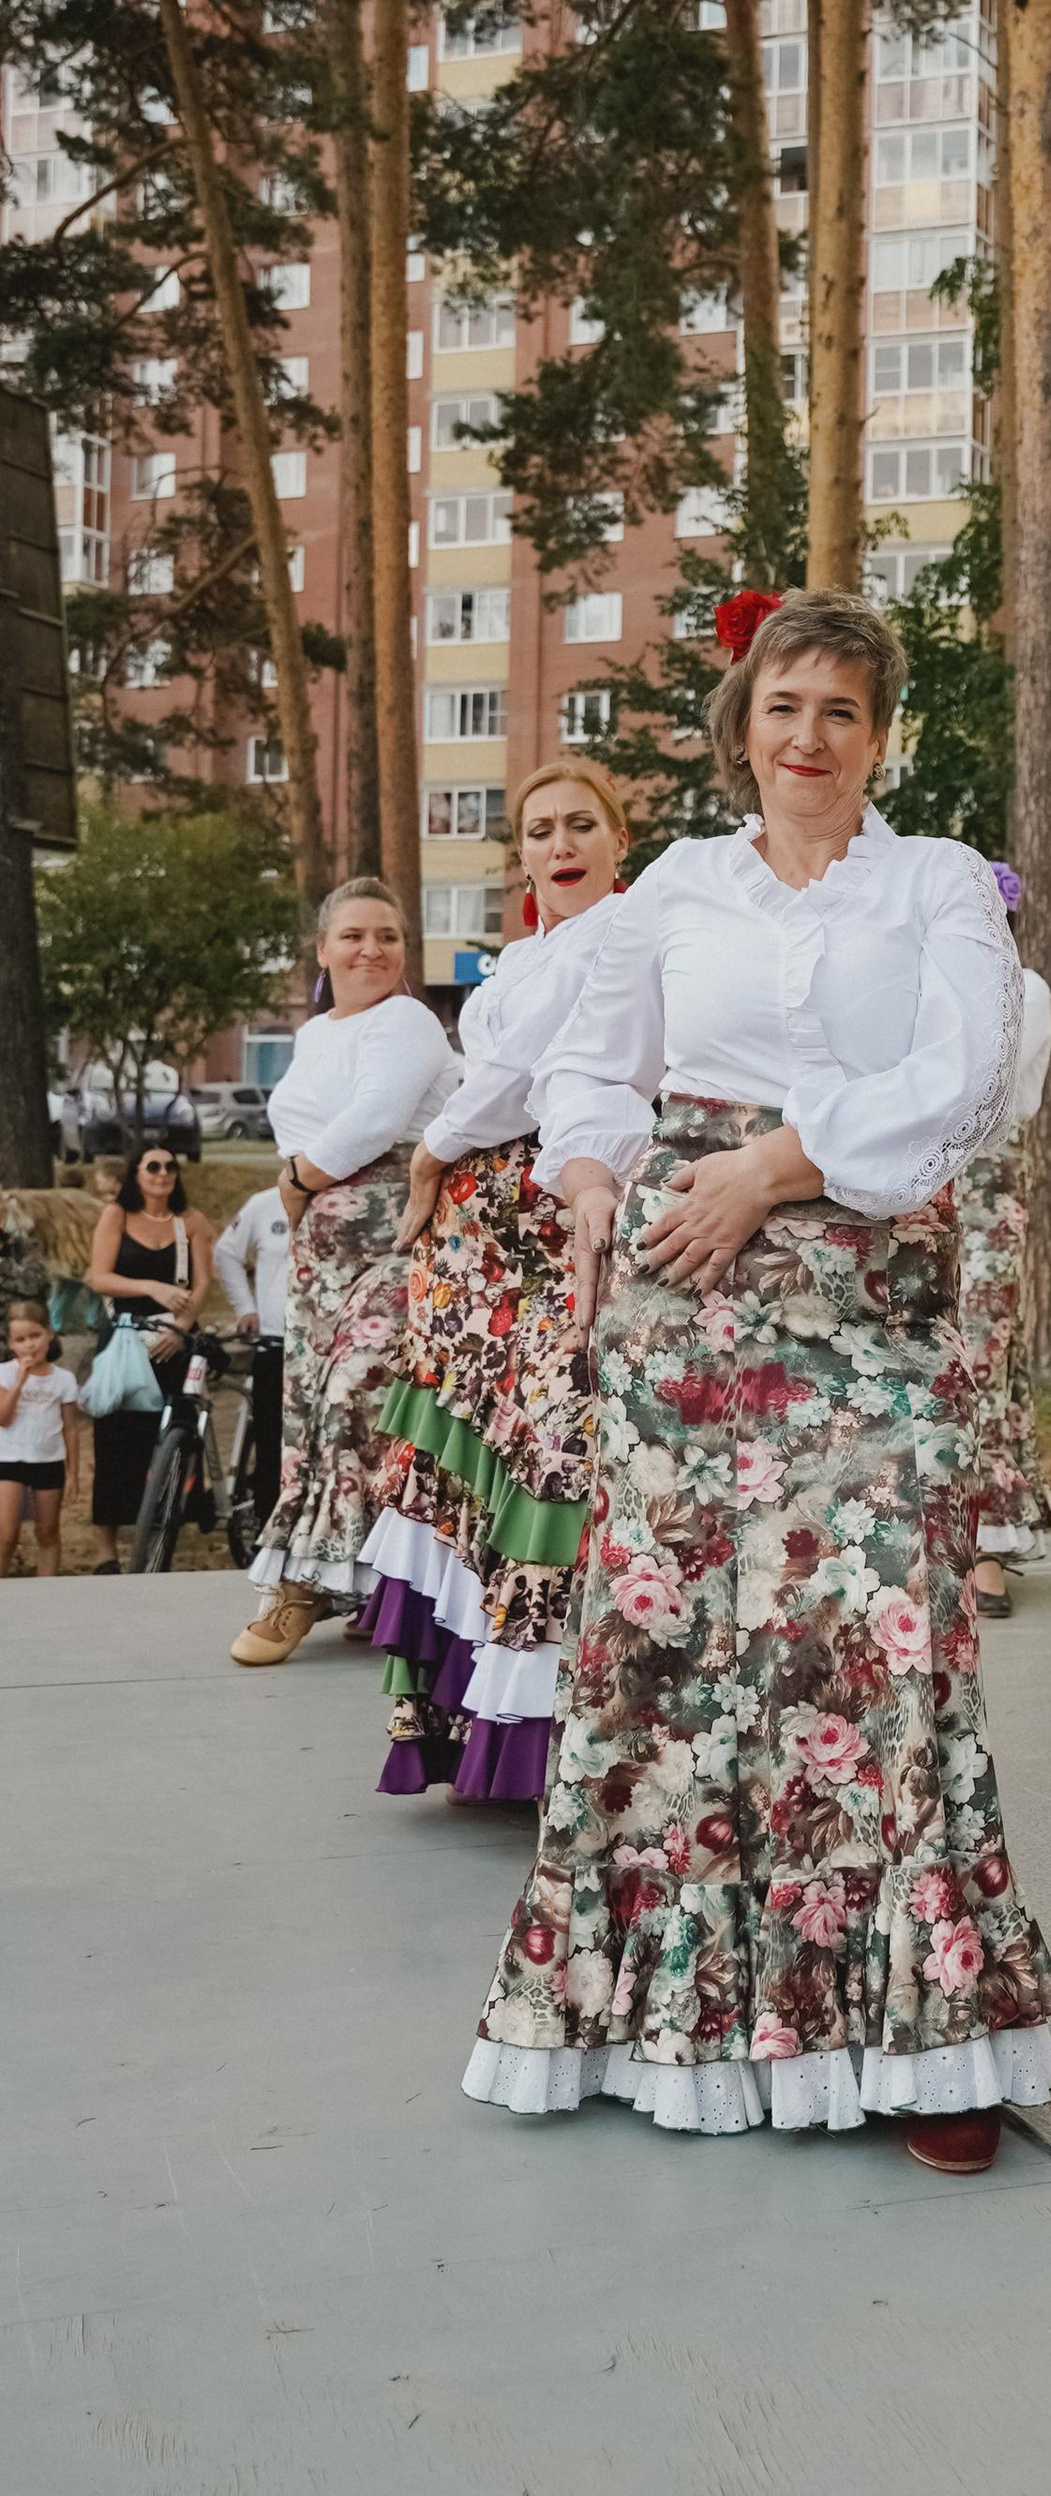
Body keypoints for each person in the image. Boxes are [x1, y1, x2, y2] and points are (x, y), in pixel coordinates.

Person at [464, 586, 1051, 2170]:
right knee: (669, 1646)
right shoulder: (675, 888)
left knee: (883, 1634)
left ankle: (929, 2041)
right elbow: (594, 1059)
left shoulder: (937, 885)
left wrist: (780, 1167)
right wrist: (594, 1173)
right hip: (682, 1288)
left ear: (880, 740)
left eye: (842, 713)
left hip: (861, 1275)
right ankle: (672, 2017)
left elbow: (968, 1075)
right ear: (743, 727)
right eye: (784, 707)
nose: (809, 739)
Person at [359, 760, 628, 1802]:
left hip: (551, 1218)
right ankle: (471, 1722)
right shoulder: (525, 956)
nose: (559, 846)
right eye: (539, 830)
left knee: (555, 1456)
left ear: (618, 838)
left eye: (579, 826)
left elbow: (517, 1083)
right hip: (477, 1257)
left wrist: (431, 1151)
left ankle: (552, 1741)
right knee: (483, 1463)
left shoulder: (619, 938)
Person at [232, 880, 461, 1668]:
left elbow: (373, 1122)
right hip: (322, 1247)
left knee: (353, 1393)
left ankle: (307, 1585)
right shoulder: (313, 1035)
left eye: (389, 937)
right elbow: (303, 1127)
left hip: (399, 1234)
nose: (372, 950)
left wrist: (295, 1183)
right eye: (355, 936)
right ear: (323, 950)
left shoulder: (408, 1022)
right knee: (302, 1413)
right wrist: (299, 1191)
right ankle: (365, 1582)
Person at [959, 861, 1051, 1621]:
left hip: (987, 1185)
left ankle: (987, 1540)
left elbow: (989, 1089)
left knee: (984, 1358)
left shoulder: (1028, 992)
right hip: (919, 1184)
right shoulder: (923, 989)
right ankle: (937, 1530)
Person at [81, 1145, 205, 1571]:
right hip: (126, 1335)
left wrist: (182, 1328)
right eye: (153, 1166)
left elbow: (203, 1284)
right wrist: (152, 1288)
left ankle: (159, 1528)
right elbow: (99, 1276)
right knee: (115, 1435)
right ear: (137, 1172)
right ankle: (106, 1549)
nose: (162, 1173)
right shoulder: (117, 1215)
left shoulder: (190, 1222)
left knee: (171, 1432)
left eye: (170, 1166)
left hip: (174, 1337)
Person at [211, 1181, 293, 1536]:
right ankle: (268, 1530)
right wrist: (245, 1307)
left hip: (327, 1346)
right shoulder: (264, 1204)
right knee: (272, 1442)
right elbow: (226, 1252)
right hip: (275, 1342)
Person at [0, 1299, 86, 1577]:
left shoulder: (64, 1379)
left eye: (35, 1336)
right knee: (6, 1533)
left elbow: (70, 1428)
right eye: (21, 1340)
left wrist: (72, 1473)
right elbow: (3, 1418)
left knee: (48, 1531)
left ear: (49, 1333)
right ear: (11, 1344)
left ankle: (46, 1589)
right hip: (9, 1459)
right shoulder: (5, 1374)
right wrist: (20, 1383)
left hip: (48, 1460)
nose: (29, 1345)